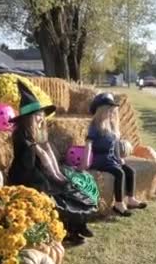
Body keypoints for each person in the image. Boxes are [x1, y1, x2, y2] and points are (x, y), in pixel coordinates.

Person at [8, 80, 97, 246]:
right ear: (28, 118)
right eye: (37, 115)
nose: (41, 118)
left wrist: (56, 172)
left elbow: (51, 159)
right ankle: (67, 232)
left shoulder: (39, 134)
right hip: (28, 175)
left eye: (41, 114)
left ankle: (79, 226)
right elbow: (27, 162)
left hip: (42, 171)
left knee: (69, 186)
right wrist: (38, 152)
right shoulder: (20, 134)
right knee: (56, 197)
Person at [80, 93, 147, 217]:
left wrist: (119, 158)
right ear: (101, 111)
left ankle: (131, 199)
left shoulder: (111, 125)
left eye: (112, 110)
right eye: (109, 110)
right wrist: (85, 163)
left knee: (130, 171)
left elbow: (115, 144)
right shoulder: (94, 126)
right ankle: (118, 204)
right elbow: (88, 145)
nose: (111, 113)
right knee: (119, 173)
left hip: (111, 159)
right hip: (100, 159)